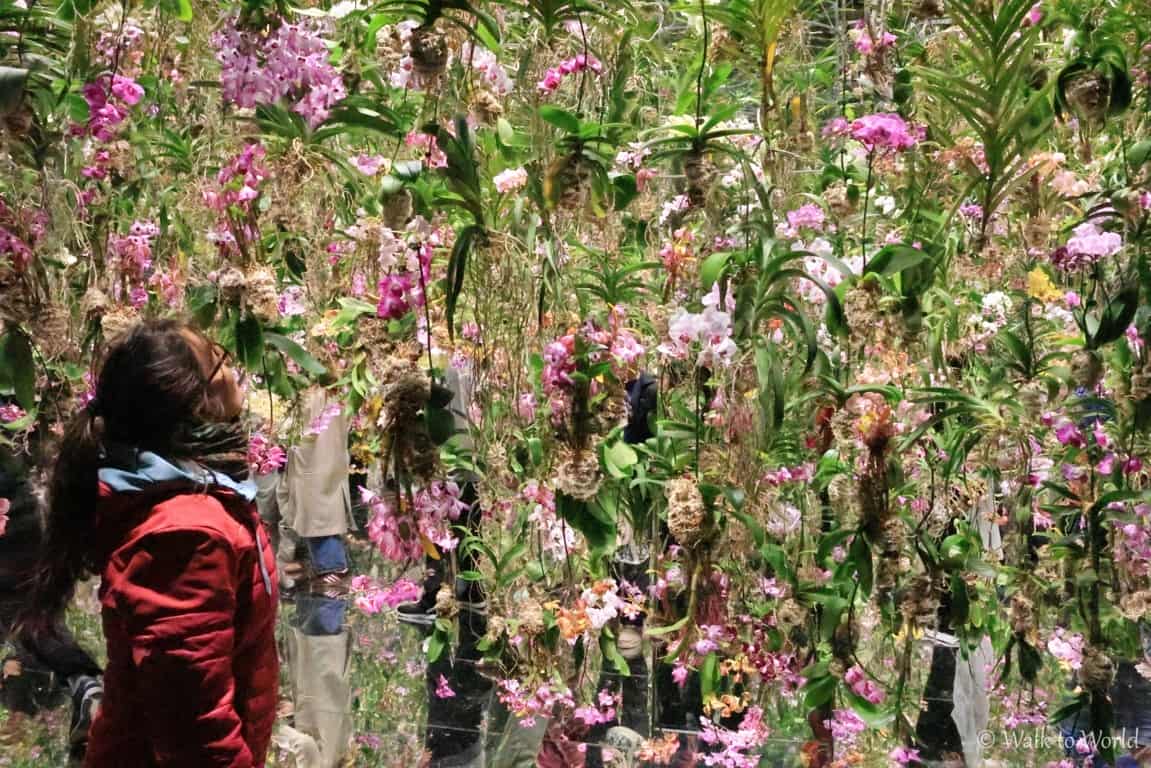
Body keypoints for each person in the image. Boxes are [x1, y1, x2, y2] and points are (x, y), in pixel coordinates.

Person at [14, 319, 279, 768]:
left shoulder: (202, 499)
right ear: (196, 401)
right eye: (219, 360)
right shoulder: (185, 534)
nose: (233, 370)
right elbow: (194, 728)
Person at [0, 440, 103, 758]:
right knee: (28, 617)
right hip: (19, 501)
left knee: (18, 616)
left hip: (12, 506)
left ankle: (81, 684)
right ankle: (84, 683)